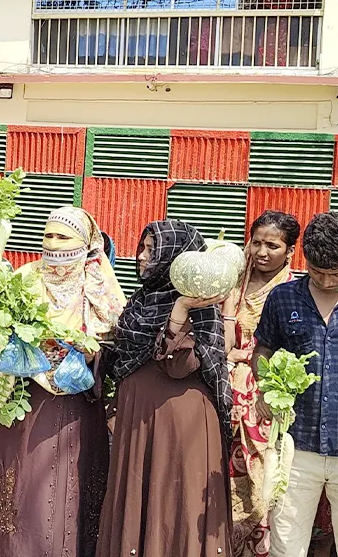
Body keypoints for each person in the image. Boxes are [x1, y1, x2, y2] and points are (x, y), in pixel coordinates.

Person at [0, 207, 124, 557]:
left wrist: (89, 354)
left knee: (66, 489)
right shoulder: (25, 279)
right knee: (22, 486)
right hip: (26, 402)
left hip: (76, 406)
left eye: (63, 237)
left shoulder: (99, 287)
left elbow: (117, 343)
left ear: (86, 244)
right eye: (48, 236)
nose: (54, 244)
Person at [97, 219, 233, 557]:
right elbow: (120, 355)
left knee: (174, 502)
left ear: (177, 258)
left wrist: (181, 310)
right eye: (143, 248)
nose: (141, 257)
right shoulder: (142, 300)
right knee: (139, 502)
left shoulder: (202, 308)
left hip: (178, 421)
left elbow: (179, 366)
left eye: (151, 250)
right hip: (138, 416)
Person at [255, 211, 338, 557]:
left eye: (337, 273)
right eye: (316, 270)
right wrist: (266, 385)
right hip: (295, 448)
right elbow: (264, 348)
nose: (324, 279)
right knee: (285, 546)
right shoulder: (282, 298)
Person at [222, 211, 299, 557]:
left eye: (273, 245)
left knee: (261, 478)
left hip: (263, 396)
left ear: (290, 251)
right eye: (257, 243)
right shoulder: (231, 279)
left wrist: (246, 356)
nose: (262, 252)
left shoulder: (293, 290)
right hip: (221, 386)